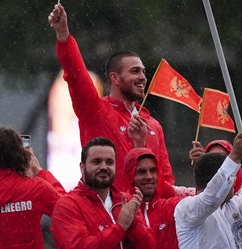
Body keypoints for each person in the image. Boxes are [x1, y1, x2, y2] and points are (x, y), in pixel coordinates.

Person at [48, 3, 174, 196]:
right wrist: (64, 38)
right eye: (134, 72)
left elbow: (166, 182)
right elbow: (76, 76)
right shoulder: (97, 112)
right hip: (109, 216)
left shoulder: (153, 125)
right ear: (115, 78)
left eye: (143, 72)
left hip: (150, 221)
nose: (142, 77)